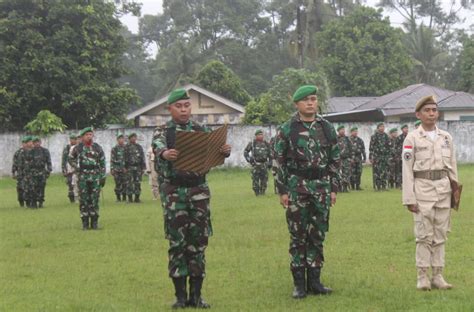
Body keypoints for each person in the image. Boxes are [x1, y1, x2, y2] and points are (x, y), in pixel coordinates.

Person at [152, 88, 231, 309]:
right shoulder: (163, 132)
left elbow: (213, 152)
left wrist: (224, 151)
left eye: (187, 106)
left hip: (199, 192)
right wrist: (165, 154)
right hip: (175, 193)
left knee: (198, 242)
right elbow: (159, 149)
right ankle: (180, 297)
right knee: (177, 243)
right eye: (179, 106)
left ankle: (196, 297)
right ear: (170, 109)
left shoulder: (201, 130)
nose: (184, 110)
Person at [274, 85, 340, 299]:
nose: (311, 103)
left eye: (313, 99)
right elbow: (279, 161)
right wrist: (282, 190)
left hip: (320, 186)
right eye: (306, 100)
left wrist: (333, 188)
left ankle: (315, 281)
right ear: (297, 104)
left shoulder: (327, 127)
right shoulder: (288, 128)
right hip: (297, 186)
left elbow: (335, 158)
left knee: (317, 233)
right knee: (298, 235)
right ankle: (299, 285)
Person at [402, 95, 459, 291]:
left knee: (440, 235)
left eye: (434, 110)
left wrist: (455, 192)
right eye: (427, 110)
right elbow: (407, 169)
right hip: (423, 191)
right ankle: (422, 276)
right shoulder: (412, 138)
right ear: (418, 114)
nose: (432, 113)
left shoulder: (446, 138)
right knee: (424, 235)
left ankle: (438, 275)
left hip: (444, 191)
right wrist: (409, 198)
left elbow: (452, 167)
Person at [69, 127, 106, 230]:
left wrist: (103, 176)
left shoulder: (97, 147)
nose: (89, 136)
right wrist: (77, 168)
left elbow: (102, 162)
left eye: (90, 134)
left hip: (95, 176)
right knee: (84, 199)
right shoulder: (78, 148)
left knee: (94, 199)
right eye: (87, 135)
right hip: (83, 177)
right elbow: (70, 159)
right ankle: (85, 223)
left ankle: (94, 223)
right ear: (82, 136)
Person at [243, 130, 272, 196]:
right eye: (259, 135)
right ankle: (257, 193)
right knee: (255, 179)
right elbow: (245, 152)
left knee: (264, 180)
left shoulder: (266, 144)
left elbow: (270, 154)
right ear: (256, 136)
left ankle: (263, 192)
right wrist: (249, 159)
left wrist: (270, 162)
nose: (261, 136)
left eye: (261, 135)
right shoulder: (252, 143)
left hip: (264, 164)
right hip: (255, 164)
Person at [124, 133, 146, 203]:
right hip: (129, 167)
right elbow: (124, 158)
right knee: (129, 183)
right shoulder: (126, 147)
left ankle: (137, 198)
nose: (134, 138)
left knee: (137, 183)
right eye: (132, 137)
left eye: (135, 137)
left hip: (138, 167)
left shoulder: (139, 147)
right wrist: (124, 167)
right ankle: (130, 198)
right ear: (129, 138)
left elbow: (142, 157)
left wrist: (143, 167)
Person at [31, 136, 52, 208]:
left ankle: (41, 202)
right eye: (35, 142)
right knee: (33, 187)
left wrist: (49, 170)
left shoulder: (45, 151)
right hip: (33, 172)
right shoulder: (31, 151)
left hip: (42, 171)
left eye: (38, 142)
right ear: (33, 143)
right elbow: (27, 163)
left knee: (42, 187)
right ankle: (34, 202)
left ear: (40, 142)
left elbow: (48, 161)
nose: (37, 143)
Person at [369, 123, 390, 191]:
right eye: (381, 127)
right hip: (376, 157)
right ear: (378, 128)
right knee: (377, 172)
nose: (382, 128)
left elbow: (389, 146)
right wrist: (371, 157)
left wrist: (388, 156)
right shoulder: (374, 136)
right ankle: (377, 186)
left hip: (384, 157)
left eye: (383, 127)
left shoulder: (386, 136)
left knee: (384, 172)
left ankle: (384, 186)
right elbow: (371, 147)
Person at [12, 137, 29, 207]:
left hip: (28, 174)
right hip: (20, 174)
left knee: (28, 188)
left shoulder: (30, 152)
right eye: (24, 143)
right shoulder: (18, 153)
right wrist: (13, 172)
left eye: (26, 143)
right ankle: (21, 202)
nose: (25, 144)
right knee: (20, 189)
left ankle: (28, 202)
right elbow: (15, 163)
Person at [111, 134, 127, 202]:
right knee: (117, 183)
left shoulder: (126, 148)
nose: (121, 140)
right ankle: (118, 198)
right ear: (117, 140)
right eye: (120, 139)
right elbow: (112, 159)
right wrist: (112, 169)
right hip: (117, 169)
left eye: (122, 138)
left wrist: (126, 167)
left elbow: (128, 159)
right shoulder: (114, 148)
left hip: (125, 169)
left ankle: (124, 197)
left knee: (125, 183)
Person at [62, 134, 78, 203]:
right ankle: (71, 199)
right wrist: (64, 169)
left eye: (74, 139)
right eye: (71, 139)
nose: (73, 141)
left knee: (76, 183)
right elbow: (64, 159)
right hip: (69, 168)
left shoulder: (78, 148)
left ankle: (77, 197)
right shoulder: (67, 148)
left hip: (76, 168)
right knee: (70, 183)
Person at [336, 125, 352, 192]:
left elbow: (351, 148)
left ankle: (345, 188)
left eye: (343, 129)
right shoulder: (335, 138)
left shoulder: (347, 139)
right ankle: (339, 188)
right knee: (337, 173)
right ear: (338, 131)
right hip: (338, 159)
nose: (343, 131)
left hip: (346, 159)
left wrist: (351, 158)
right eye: (341, 129)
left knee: (346, 173)